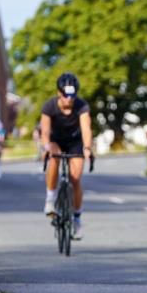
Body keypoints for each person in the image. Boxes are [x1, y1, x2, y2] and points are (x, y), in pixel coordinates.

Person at [40, 72, 93, 240]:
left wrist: (87, 148)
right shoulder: (49, 106)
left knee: (75, 179)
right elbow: (45, 132)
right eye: (65, 95)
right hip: (56, 141)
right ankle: (50, 198)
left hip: (75, 142)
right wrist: (46, 147)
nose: (69, 99)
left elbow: (86, 128)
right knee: (54, 156)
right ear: (59, 93)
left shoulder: (81, 106)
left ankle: (76, 219)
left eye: (72, 95)